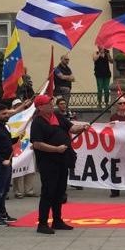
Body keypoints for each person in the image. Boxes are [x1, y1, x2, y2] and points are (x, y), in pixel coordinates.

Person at [30, 94, 88, 234]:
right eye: (48, 103)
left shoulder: (58, 117)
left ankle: (57, 220)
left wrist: (83, 127)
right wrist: (55, 149)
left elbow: (72, 129)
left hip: (63, 160)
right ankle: (42, 223)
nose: (51, 105)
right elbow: (37, 144)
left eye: (51, 103)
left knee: (60, 192)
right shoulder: (37, 122)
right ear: (40, 107)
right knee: (48, 192)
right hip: (48, 162)